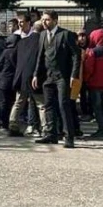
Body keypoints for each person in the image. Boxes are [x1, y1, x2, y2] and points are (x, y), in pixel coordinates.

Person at [32, 10, 82, 148]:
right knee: (48, 105)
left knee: (63, 105)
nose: (44, 22)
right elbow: (40, 56)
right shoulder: (42, 35)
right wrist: (36, 74)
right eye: (43, 20)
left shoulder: (65, 34)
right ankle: (50, 134)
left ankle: (69, 137)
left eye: (47, 20)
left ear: (55, 20)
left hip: (62, 76)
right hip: (47, 77)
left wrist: (74, 75)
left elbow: (76, 55)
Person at [9, 21, 44, 136]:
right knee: (41, 104)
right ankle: (46, 127)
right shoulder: (42, 42)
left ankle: (13, 124)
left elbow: (14, 58)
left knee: (19, 102)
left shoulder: (22, 42)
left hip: (21, 76)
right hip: (35, 76)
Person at [82, 28, 103, 138]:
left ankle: (101, 130)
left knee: (97, 107)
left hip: (94, 83)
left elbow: (89, 68)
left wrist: (86, 79)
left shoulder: (93, 51)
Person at [0, 29, 19, 135]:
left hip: (2, 81)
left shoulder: (5, 51)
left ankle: (3, 122)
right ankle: (11, 121)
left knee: (3, 103)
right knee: (13, 103)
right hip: (14, 81)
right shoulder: (19, 52)